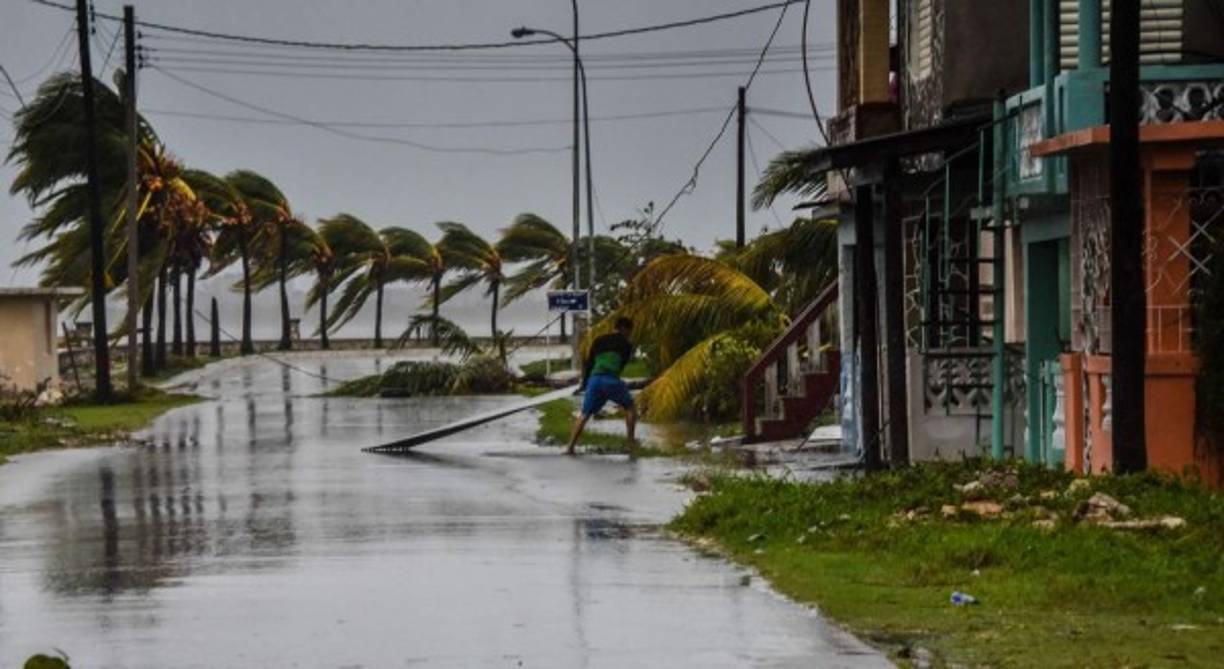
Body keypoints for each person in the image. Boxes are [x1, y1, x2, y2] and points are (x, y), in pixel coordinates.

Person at [567, 316, 636, 455]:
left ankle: (570, 447)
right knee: (630, 407)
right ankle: (631, 445)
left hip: (594, 379)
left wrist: (585, 383)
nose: (630, 334)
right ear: (624, 329)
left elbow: (589, 363)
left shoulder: (598, 340)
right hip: (610, 379)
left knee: (584, 414)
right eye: (629, 331)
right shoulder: (626, 344)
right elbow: (621, 365)